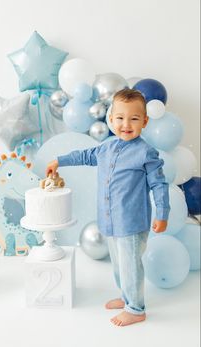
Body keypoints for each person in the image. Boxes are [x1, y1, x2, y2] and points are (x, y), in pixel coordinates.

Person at [45, 88, 170, 327]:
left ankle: (135, 308)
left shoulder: (146, 152)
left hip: (131, 223)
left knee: (130, 264)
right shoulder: (106, 148)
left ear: (144, 121)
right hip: (110, 220)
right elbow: (83, 155)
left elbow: (159, 185)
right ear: (111, 119)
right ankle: (126, 296)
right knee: (118, 263)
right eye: (120, 118)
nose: (126, 124)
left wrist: (162, 214)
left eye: (134, 118)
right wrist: (59, 160)